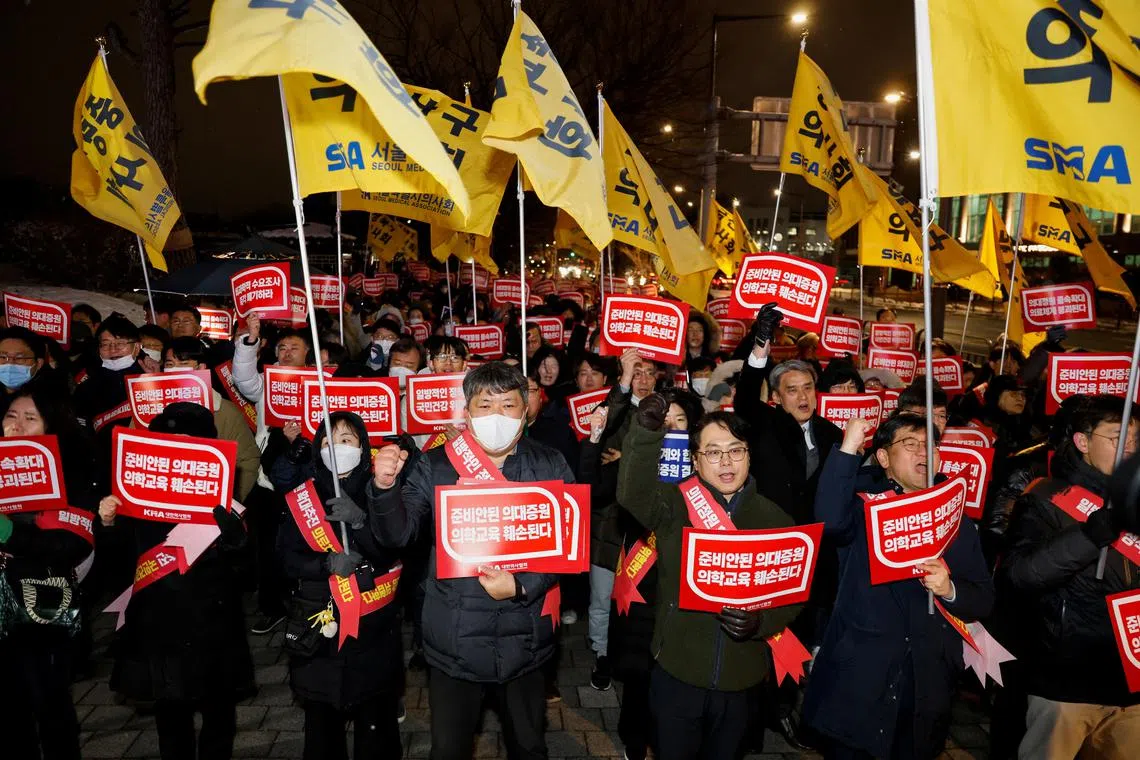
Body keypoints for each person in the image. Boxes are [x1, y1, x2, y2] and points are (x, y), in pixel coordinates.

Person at [367, 362, 574, 760]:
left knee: (529, 746)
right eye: (485, 405)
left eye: (508, 404)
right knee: (449, 749)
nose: (497, 415)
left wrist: (522, 585)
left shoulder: (549, 463)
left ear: (526, 409)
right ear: (467, 412)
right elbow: (397, 535)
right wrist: (384, 488)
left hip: (526, 639)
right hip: (454, 641)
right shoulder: (436, 464)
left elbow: (569, 544)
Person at [616, 397, 802, 759]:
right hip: (677, 673)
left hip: (742, 678)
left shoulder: (776, 519)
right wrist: (645, 432)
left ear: (750, 455)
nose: (727, 462)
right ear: (696, 460)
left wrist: (762, 622)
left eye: (736, 450)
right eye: (714, 453)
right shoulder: (674, 504)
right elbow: (631, 494)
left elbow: (793, 596)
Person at [804, 413, 994, 759]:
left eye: (930, 445)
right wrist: (849, 447)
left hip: (925, 683)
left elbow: (983, 600)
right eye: (910, 444)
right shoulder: (864, 506)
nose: (924, 452)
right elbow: (828, 520)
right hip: (860, 677)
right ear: (883, 457)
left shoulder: (956, 519)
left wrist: (949, 589)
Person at [98, 403, 254, 760]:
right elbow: (115, 567)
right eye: (169, 443)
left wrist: (235, 541)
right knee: (171, 718)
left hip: (214, 624)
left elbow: (245, 571)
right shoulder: (135, 498)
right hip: (160, 624)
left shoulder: (224, 501)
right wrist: (108, 523)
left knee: (219, 715)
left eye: (188, 443)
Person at [1002, 396, 1140, 760]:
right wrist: (1088, 537)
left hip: (1132, 685)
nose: (1130, 447)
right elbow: (1020, 575)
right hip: (1065, 685)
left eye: (1136, 439)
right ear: (1082, 442)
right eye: (1118, 437)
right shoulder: (1047, 498)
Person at [270, 412, 405, 760]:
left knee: (375, 726)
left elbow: (394, 550)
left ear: (364, 447)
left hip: (372, 626)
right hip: (319, 625)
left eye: (347, 440)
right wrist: (325, 565)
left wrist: (360, 521)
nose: (337, 447)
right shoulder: (304, 496)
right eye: (329, 441)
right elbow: (285, 559)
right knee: (322, 727)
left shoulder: (382, 489)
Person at [599, 388, 702, 760]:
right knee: (640, 664)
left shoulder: (707, 471)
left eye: (680, 422)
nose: (671, 428)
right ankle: (634, 736)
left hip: (684, 577)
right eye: (664, 421)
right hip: (644, 574)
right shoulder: (637, 462)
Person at [0, 390, 95, 760]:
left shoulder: (72, 473)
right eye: (11, 414)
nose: (17, 425)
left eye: (31, 418)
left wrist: (9, 531)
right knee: (8, 708)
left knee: (49, 702)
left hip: (40, 605)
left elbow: (69, 547)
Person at [231, 314, 314, 634]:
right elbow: (242, 377)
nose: (287, 353)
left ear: (309, 353)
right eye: (281, 347)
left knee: (304, 544)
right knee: (266, 547)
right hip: (267, 481)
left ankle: (308, 600)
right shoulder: (266, 385)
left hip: (306, 480)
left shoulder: (322, 383)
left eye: (295, 347)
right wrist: (249, 340)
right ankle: (272, 606)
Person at [162, 337, 260, 502]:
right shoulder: (147, 408)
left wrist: (231, 501)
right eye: (170, 365)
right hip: (157, 502)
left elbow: (247, 459)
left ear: (201, 368)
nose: (176, 370)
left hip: (207, 506)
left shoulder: (224, 411)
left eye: (184, 364)